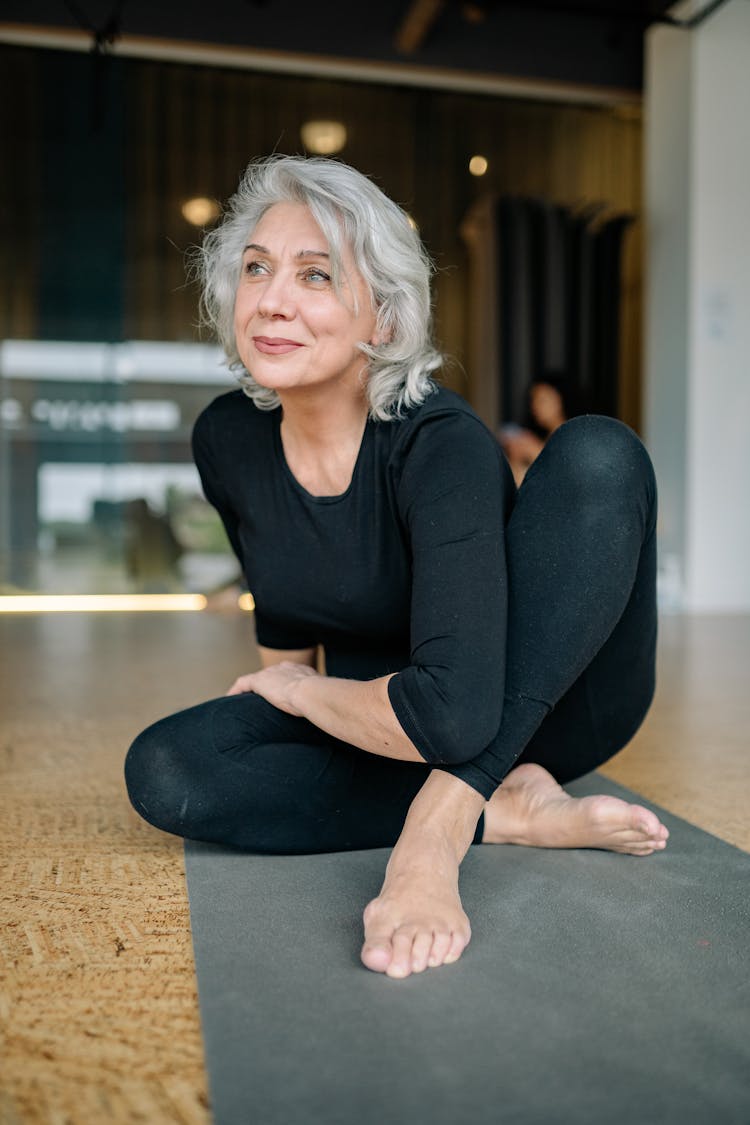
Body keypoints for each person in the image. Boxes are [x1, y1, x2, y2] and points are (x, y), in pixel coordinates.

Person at [125, 155, 667, 980]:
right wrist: (293, 701)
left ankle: (441, 825)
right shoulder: (227, 438)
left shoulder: (437, 440)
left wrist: (307, 696)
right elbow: (286, 619)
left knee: (600, 455)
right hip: (393, 711)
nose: (271, 299)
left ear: (381, 317)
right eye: (257, 268)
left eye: (315, 275)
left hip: (543, 699)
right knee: (167, 770)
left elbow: (450, 712)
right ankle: (509, 808)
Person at [499, 373, 574, 485]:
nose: (535, 406)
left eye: (542, 400)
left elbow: (568, 477)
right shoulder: (538, 435)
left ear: (560, 400)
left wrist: (535, 452)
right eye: (533, 400)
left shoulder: (572, 436)